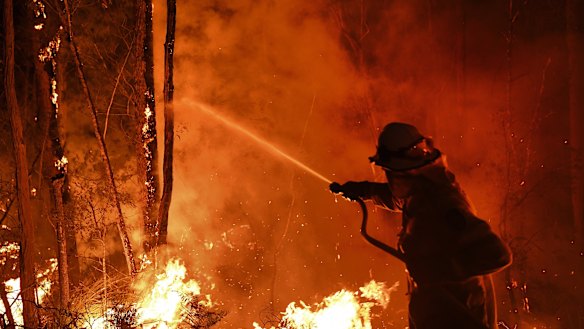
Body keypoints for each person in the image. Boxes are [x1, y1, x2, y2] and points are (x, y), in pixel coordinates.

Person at [330, 122, 512, 329]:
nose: (389, 180)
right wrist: (363, 190)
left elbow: (497, 255)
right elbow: (397, 198)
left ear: (403, 173)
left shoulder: (445, 205)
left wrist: (436, 270)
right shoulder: (420, 193)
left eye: (389, 173)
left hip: (458, 315)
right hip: (438, 313)